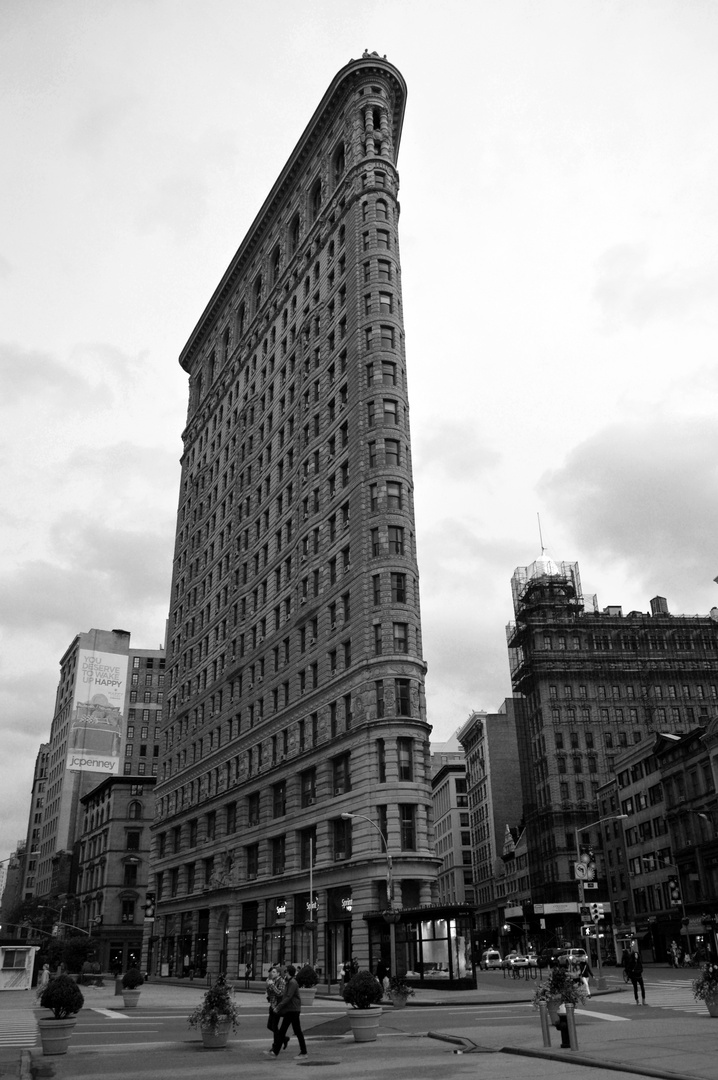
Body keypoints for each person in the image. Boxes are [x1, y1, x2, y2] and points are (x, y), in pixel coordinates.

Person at [267, 963, 307, 1059]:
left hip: (293, 1010)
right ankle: (275, 1052)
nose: (284, 973)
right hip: (290, 1010)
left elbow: (288, 997)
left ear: (288, 972)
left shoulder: (293, 982)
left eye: (285, 971)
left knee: (297, 1031)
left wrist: (278, 1007)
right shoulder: (288, 982)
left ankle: (304, 1052)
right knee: (283, 1031)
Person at [265, 966, 286, 1049]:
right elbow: (270, 994)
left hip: (278, 1006)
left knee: (274, 1026)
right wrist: (268, 986)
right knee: (269, 1026)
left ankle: (275, 1046)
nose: (271, 973)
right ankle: (284, 1038)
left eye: (274, 972)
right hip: (272, 1005)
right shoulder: (272, 980)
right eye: (271, 972)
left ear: (278, 973)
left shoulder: (281, 981)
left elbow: (280, 993)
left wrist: (272, 985)